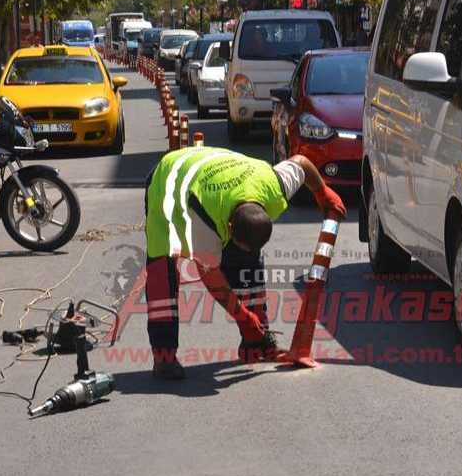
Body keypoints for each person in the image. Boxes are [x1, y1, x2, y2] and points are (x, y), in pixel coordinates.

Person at [143, 147, 346, 380]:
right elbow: (211, 275)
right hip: (169, 182)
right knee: (162, 277)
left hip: (219, 171)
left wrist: (323, 191)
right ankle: (163, 358)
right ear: (228, 229)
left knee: (246, 260)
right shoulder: (203, 217)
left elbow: (302, 162)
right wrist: (241, 314)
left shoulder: (272, 185)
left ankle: (256, 341)